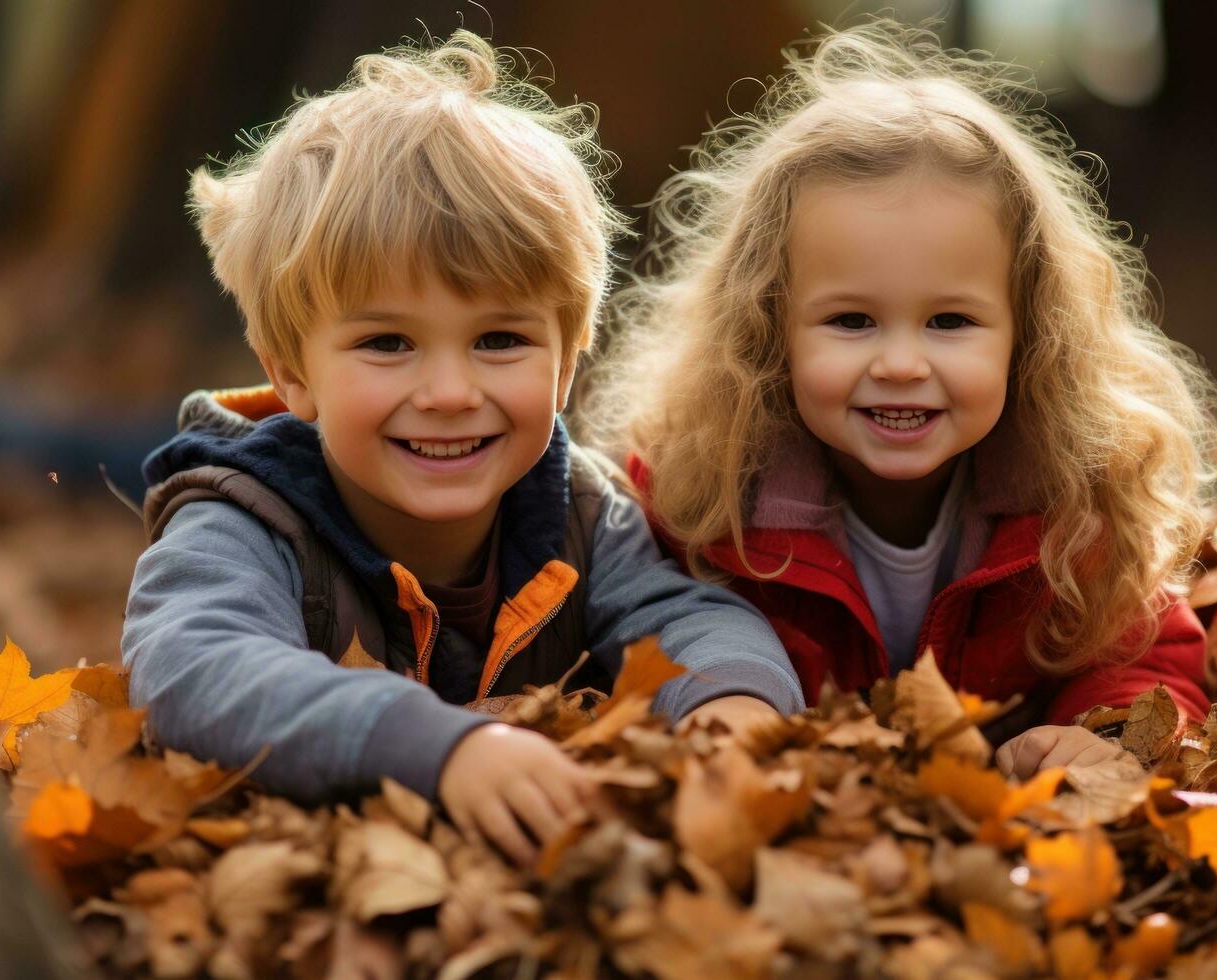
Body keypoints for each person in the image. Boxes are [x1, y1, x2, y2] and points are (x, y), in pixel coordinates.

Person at [121, 30, 803, 865]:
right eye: (387, 344)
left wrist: (728, 706)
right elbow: (193, 668)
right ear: (292, 373)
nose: (448, 392)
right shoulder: (246, 520)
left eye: (499, 341)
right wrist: (436, 748)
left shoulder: (579, 511)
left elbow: (688, 616)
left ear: (567, 359)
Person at [595, 20, 1217, 778]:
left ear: (1029, 333)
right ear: (770, 329)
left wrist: (1105, 735)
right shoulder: (702, 495)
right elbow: (638, 632)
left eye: (949, 322)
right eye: (851, 321)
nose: (899, 364)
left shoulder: (1073, 497)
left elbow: (1143, 647)